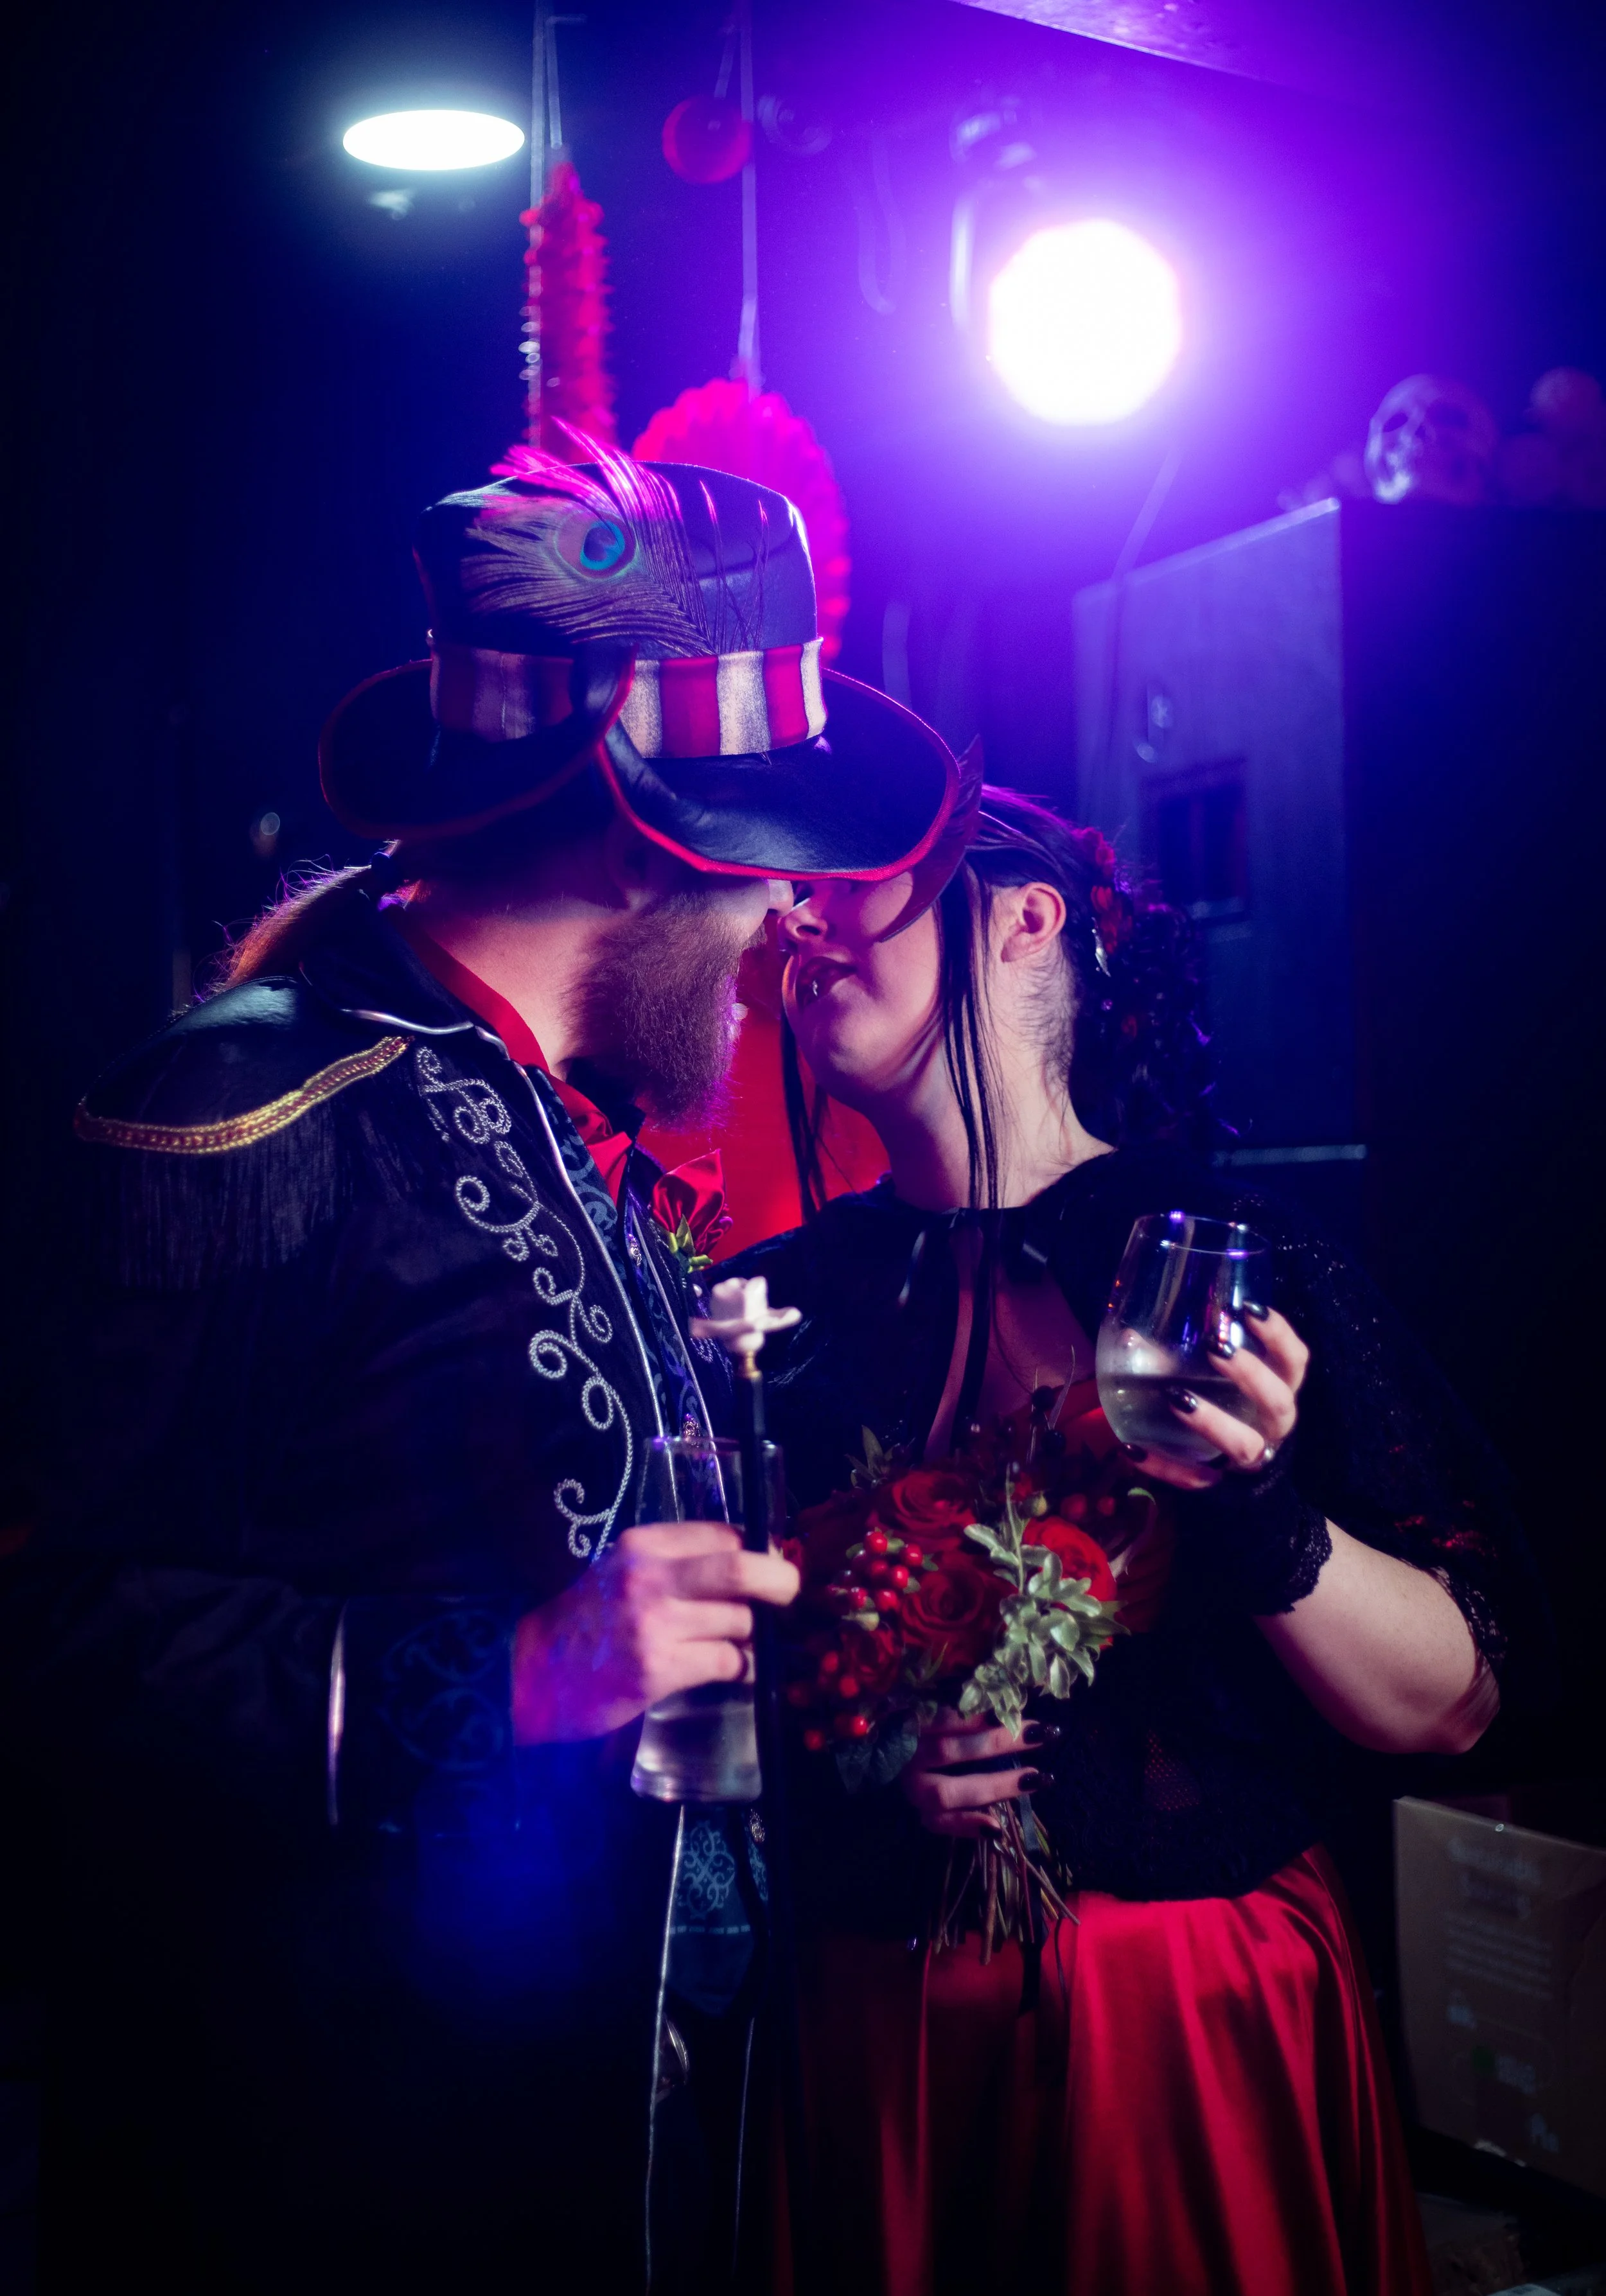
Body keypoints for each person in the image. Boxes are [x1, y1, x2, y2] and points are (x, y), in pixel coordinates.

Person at [0, 448, 964, 2292]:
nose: (789, 920)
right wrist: (499, 1671)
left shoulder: (546, 1107)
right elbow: (40, 1630)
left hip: (573, 2145)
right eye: (764, 864)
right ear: (645, 835)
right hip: (318, 2169)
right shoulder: (247, 1107)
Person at [732, 789, 1550, 2296]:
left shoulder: (1230, 1264)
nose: (792, 919)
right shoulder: (757, 1310)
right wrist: (844, 1763)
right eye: (774, 895)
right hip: (870, 2033)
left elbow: (1457, 1702)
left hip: (1179, 2029)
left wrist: (1253, 1507)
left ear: (1022, 913)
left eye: (844, 879)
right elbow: (669, 1713)